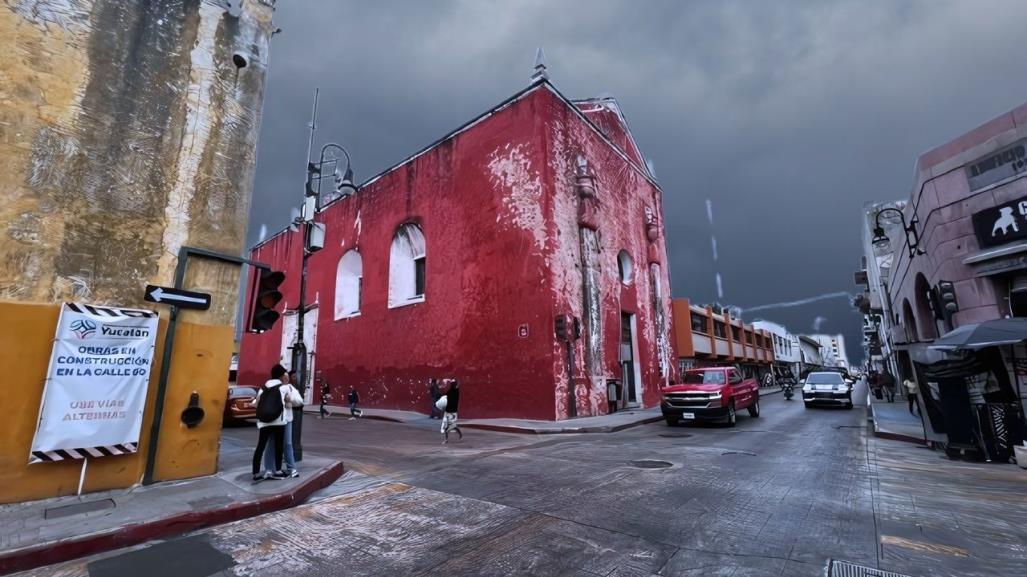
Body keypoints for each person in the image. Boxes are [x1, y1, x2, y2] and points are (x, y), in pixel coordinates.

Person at [251, 364, 301, 481]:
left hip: (264, 422)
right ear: (281, 375)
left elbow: (255, 403)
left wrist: (254, 403)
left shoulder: (263, 388)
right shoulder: (283, 387)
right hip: (278, 421)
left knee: (260, 446)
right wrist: (288, 401)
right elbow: (291, 401)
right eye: (284, 373)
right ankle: (277, 471)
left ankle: (256, 473)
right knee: (279, 446)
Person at [440, 379, 463, 444]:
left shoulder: (450, 392)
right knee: (452, 425)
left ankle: (446, 440)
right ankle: (459, 434)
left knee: (449, 427)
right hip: (453, 411)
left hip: (449, 411)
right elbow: (458, 385)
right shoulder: (456, 392)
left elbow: (444, 397)